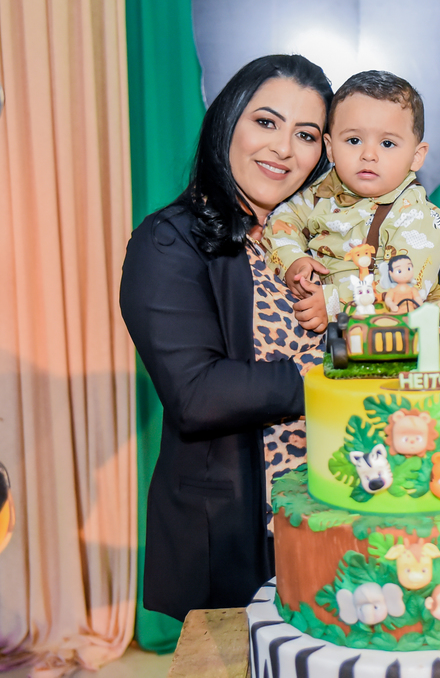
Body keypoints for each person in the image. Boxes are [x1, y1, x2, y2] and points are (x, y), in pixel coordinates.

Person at [119, 55, 333, 619]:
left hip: (336, 518)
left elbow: (437, 274)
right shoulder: (170, 241)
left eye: (305, 134)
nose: (283, 149)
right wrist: (337, 371)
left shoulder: (318, 238)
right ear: (227, 121)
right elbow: (198, 394)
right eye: (266, 122)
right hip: (238, 538)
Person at [262, 70, 440, 328]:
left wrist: (331, 303)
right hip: (318, 319)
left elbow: (402, 290)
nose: (368, 154)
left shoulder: (417, 216)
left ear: (416, 156)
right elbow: (282, 221)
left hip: (384, 334)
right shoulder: (321, 191)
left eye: (387, 143)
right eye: (354, 140)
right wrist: (293, 260)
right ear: (330, 148)